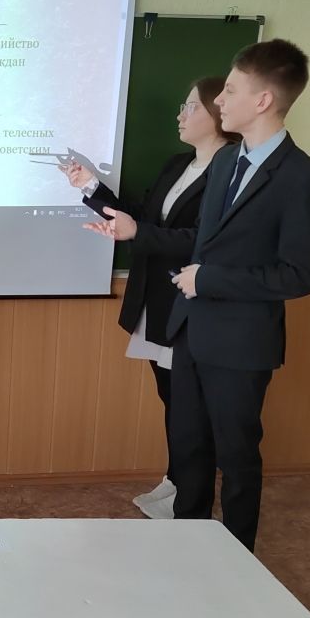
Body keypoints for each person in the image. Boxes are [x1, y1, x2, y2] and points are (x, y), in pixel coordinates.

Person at [85, 39, 310, 551]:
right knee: (188, 447)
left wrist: (209, 279)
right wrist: (138, 232)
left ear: (263, 100)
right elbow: (200, 240)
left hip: (241, 344)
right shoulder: (227, 161)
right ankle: (188, 549)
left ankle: (236, 560)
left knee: (236, 457)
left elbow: (301, 275)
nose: (219, 101)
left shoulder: (303, 178)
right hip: (189, 328)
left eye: (230, 91)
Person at [62, 78, 237, 518]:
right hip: (154, 303)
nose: (181, 114)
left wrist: (138, 232)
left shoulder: (232, 172)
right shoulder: (178, 164)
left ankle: (191, 501)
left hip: (191, 309)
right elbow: (141, 218)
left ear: (218, 113)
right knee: (172, 401)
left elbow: (202, 240)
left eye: (191, 106)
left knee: (190, 411)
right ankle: (177, 484)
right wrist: (91, 187)